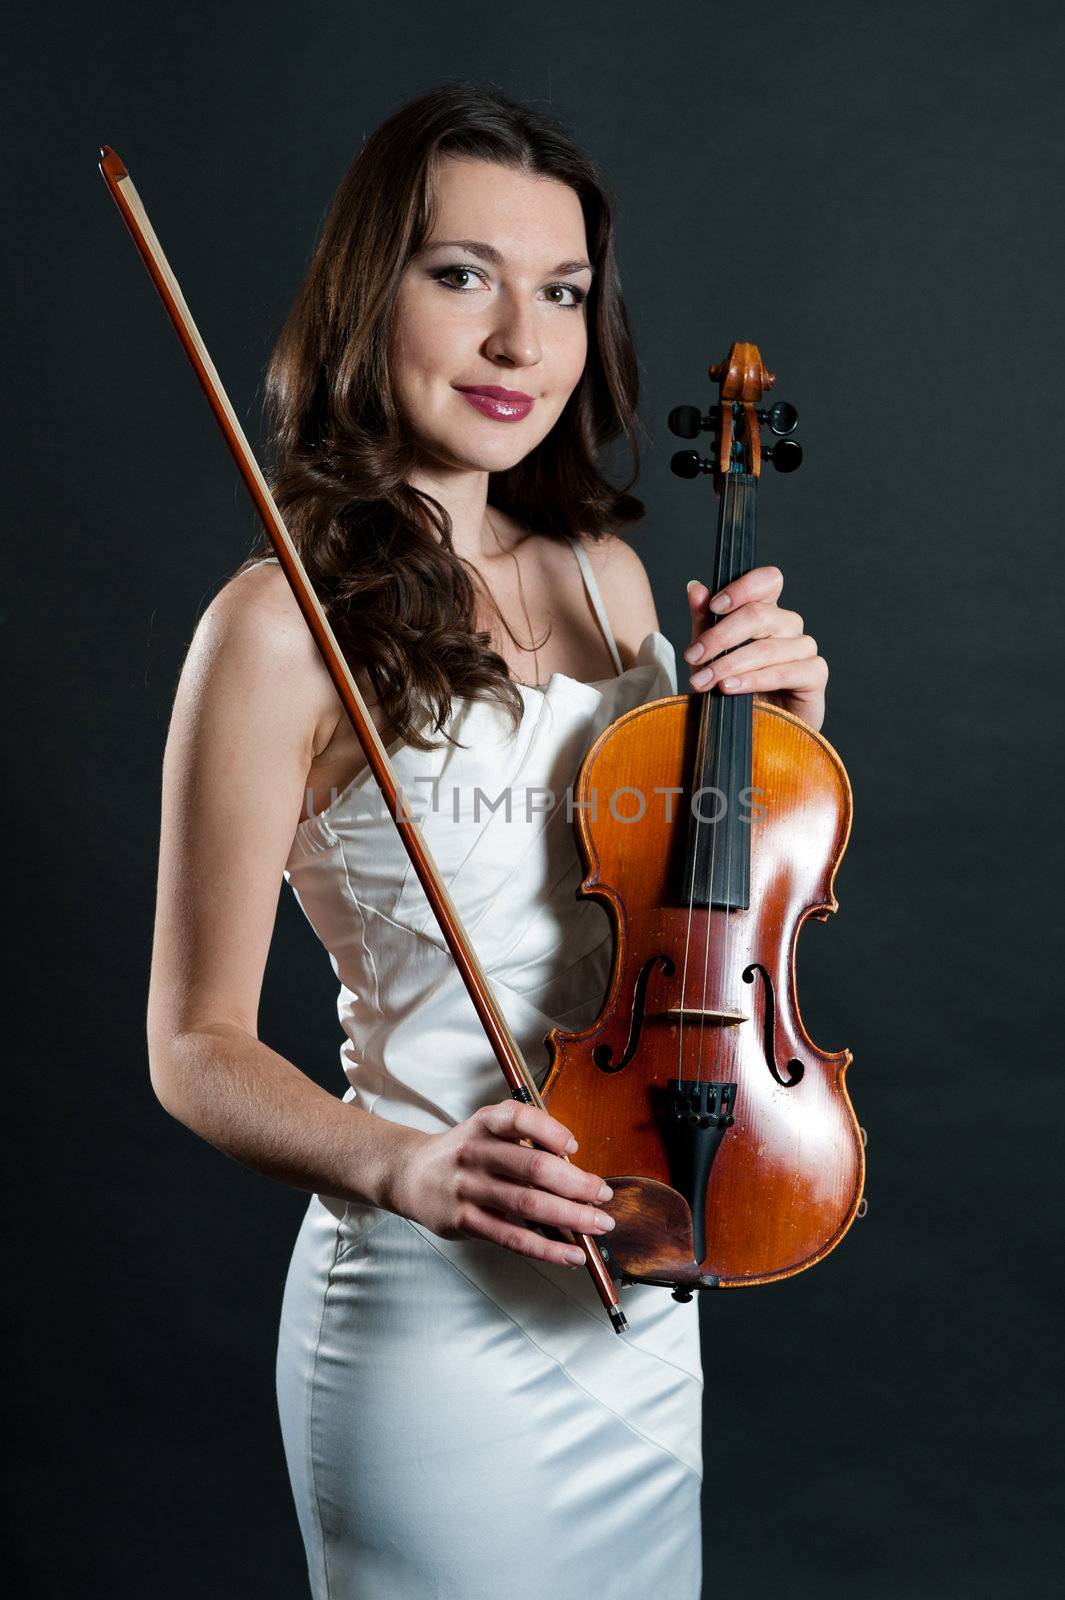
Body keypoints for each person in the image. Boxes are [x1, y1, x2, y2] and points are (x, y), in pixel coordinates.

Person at [146, 83, 828, 1600]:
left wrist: (780, 737)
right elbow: (190, 1046)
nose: (521, 341)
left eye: (562, 291)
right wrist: (407, 1169)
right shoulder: (274, 631)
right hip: (428, 1320)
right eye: (461, 275)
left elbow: (696, 926)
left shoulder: (613, 586)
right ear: (363, 294)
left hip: (639, 1285)